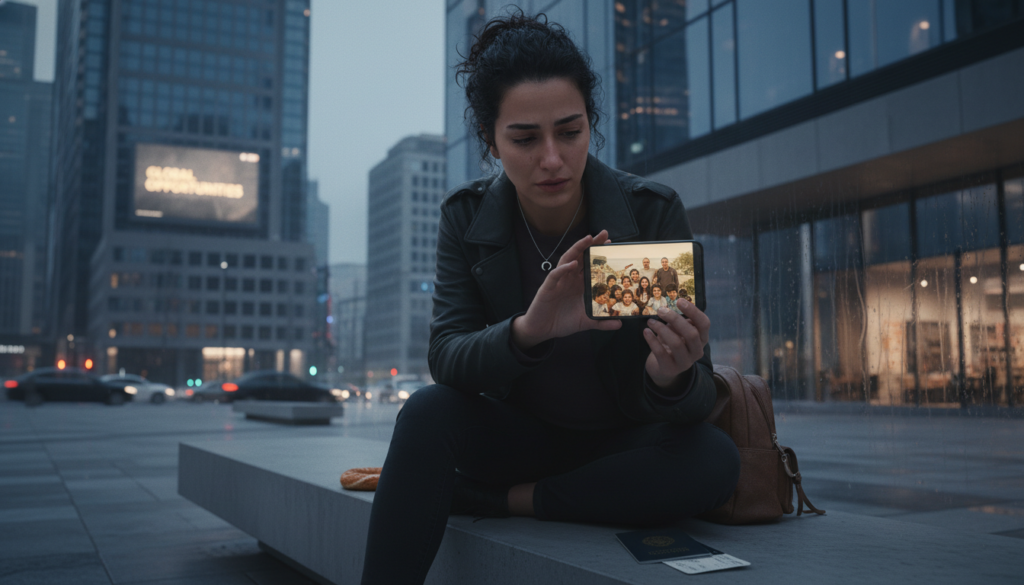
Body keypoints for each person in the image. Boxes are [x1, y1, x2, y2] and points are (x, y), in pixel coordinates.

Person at [360, 12, 738, 585]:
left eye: (570, 131)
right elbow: (447, 356)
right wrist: (529, 330)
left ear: (591, 124)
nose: (553, 158)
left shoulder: (651, 211)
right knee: (426, 413)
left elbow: (696, 396)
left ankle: (500, 499)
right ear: (490, 141)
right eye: (525, 138)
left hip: (623, 442)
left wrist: (672, 375)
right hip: (520, 436)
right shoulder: (466, 216)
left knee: (714, 459)